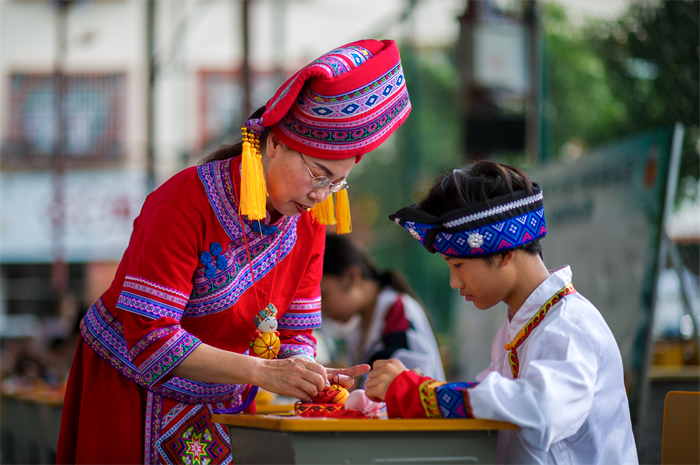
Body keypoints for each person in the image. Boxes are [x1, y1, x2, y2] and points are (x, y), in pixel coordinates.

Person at [57, 39, 411, 464]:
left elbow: (295, 332)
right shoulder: (184, 202)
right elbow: (152, 339)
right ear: (275, 144)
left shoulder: (309, 224)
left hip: (222, 403)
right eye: (318, 174)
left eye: (337, 184)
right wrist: (263, 372)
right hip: (131, 392)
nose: (321, 195)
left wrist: (307, 374)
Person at [365, 161, 638, 465]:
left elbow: (538, 408)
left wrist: (424, 395)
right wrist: (422, 392)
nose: (454, 282)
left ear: (507, 251)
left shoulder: (569, 326)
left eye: (458, 265)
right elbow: (491, 405)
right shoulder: (522, 326)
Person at [320, 234, 445, 388]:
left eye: (323, 296)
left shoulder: (399, 312)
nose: (320, 309)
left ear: (351, 277)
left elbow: (401, 385)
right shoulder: (358, 330)